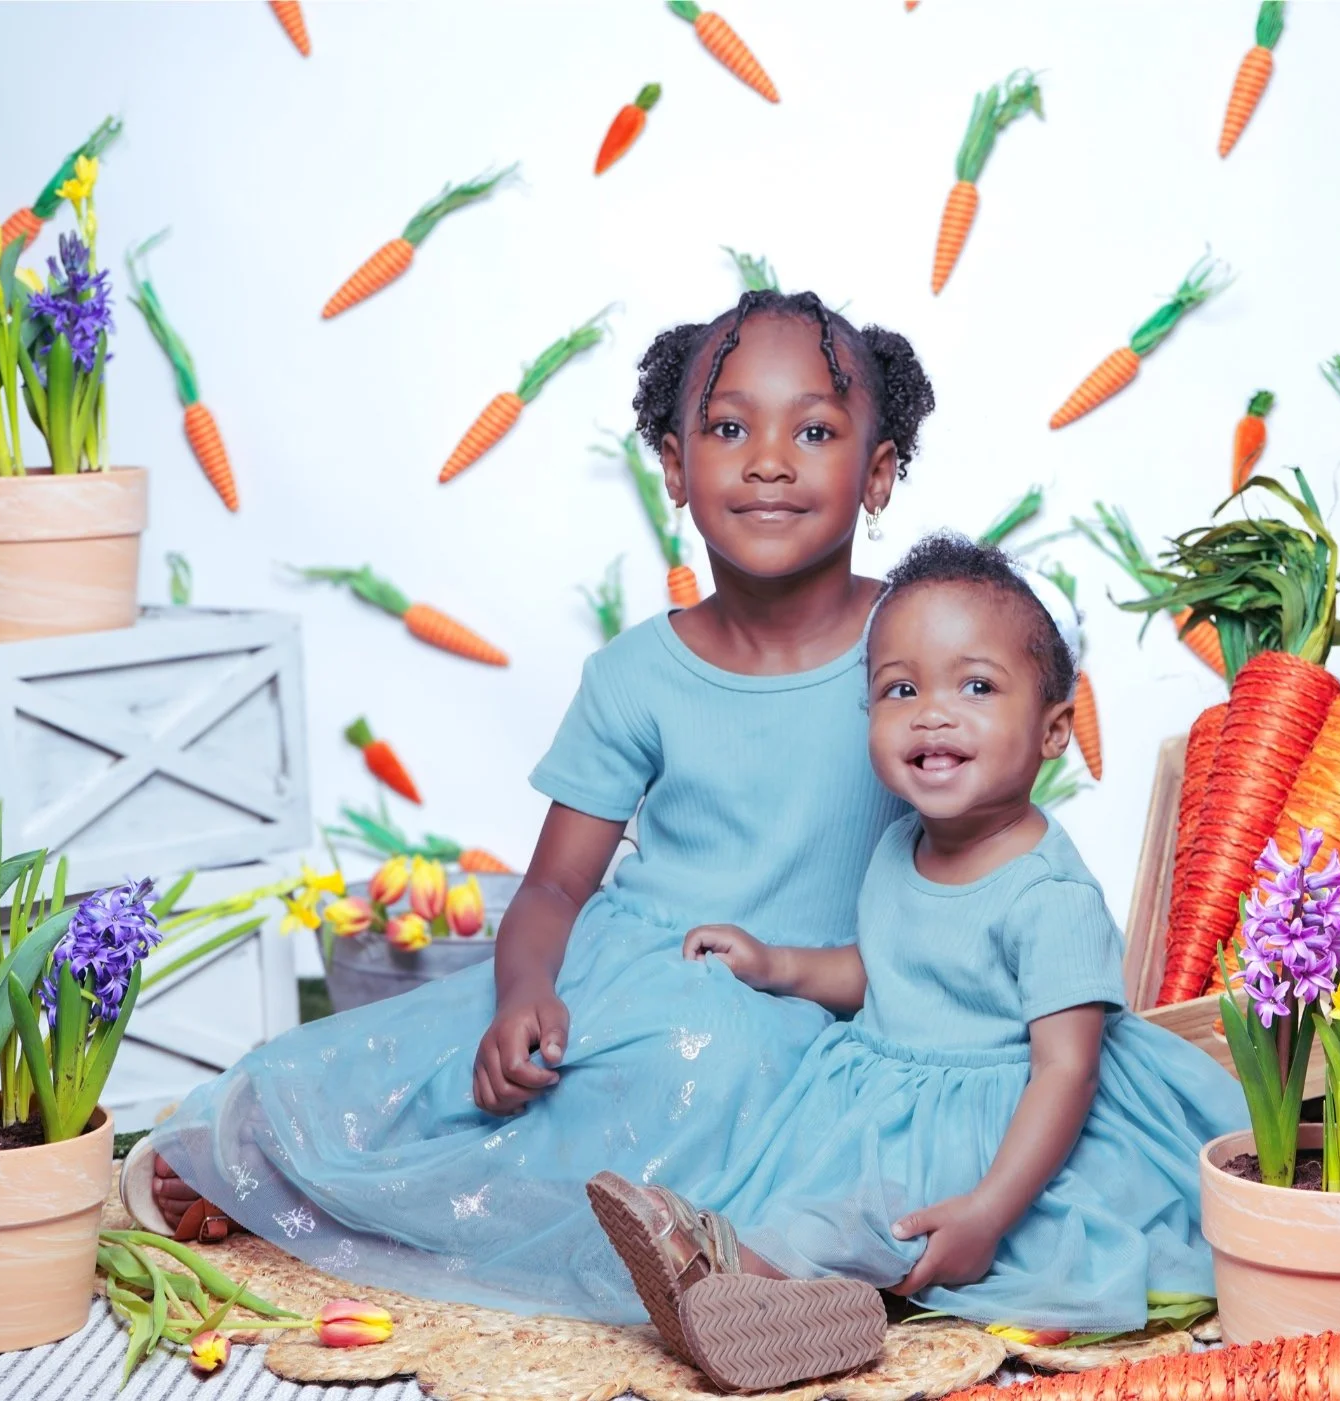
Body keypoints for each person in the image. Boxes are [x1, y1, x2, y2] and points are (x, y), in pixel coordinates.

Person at [125, 290, 936, 1323]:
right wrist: (520, 999)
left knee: (728, 1067)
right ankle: (278, 1165)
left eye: (813, 431)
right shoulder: (638, 674)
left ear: (875, 476)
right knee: (423, 1069)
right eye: (727, 429)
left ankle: (728, 1264)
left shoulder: (916, 644)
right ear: (675, 469)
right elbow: (554, 883)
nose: (767, 459)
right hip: (649, 976)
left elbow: (978, 825)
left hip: (831, 994)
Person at [586, 533, 1249, 1392]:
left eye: (976, 686)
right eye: (901, 688)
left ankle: (738, 1285)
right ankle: (763, 1291)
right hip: (887, 1102)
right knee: (789, 1177)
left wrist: (990, 1209)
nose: (933, 712)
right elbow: (883, 973)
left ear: (1053, 730)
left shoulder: (1048, 891)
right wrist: (778, 963)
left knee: (868, 1215)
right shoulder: (899, 846)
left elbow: (1068, 1069)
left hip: (1001, 1127)